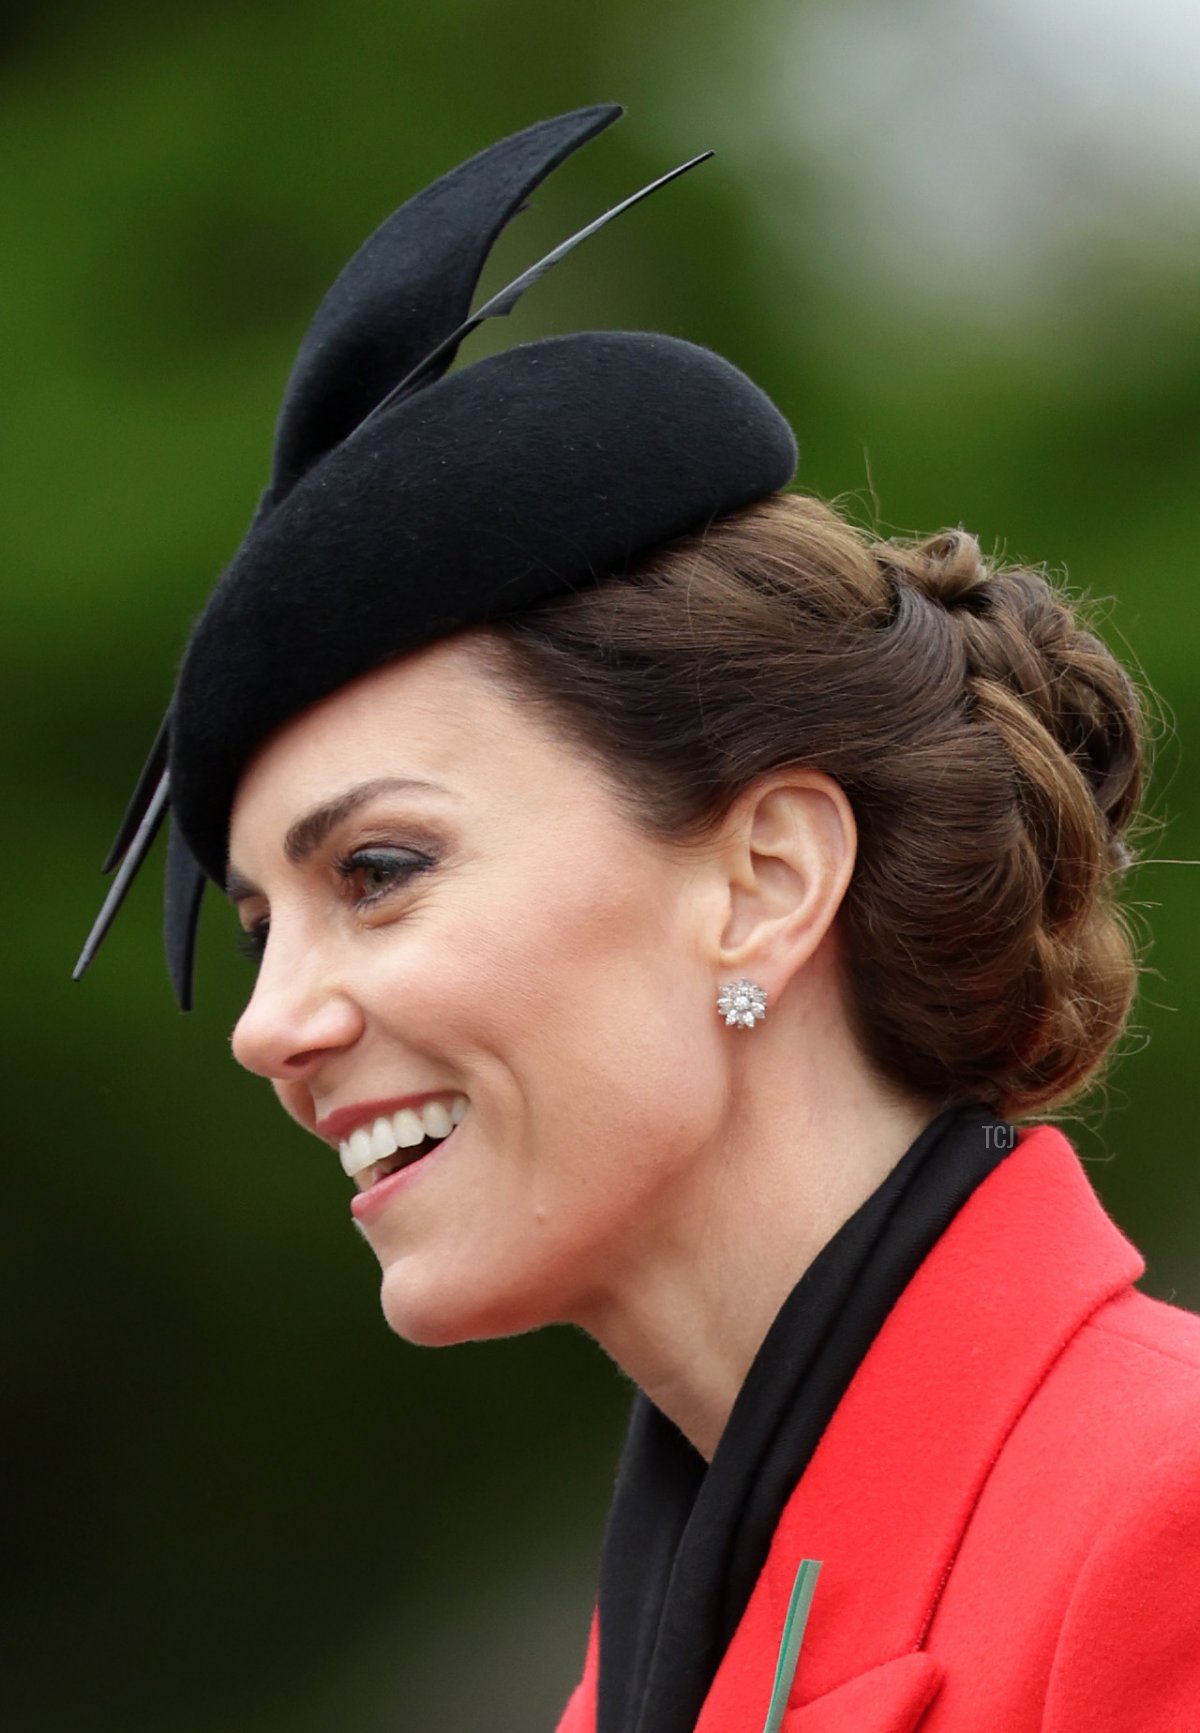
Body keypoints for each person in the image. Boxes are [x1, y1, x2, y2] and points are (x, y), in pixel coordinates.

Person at [75, 105, 1200, 1733]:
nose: (269, 1024)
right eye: (263, 929)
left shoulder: (1159, 1525)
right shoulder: (651, 1671)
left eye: (377, 872)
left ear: (765, 880)